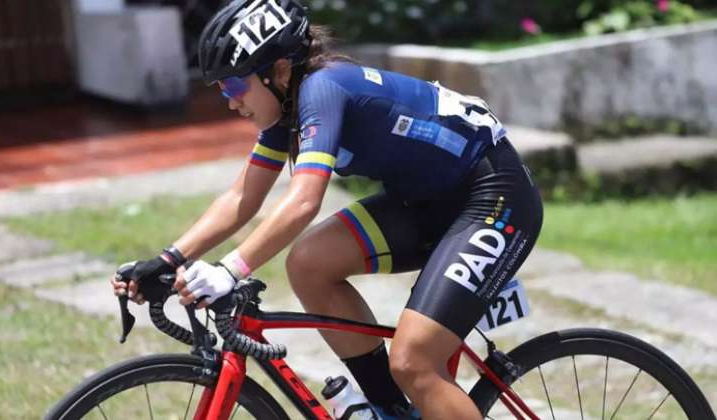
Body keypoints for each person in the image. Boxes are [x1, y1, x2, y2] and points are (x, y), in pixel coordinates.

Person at [111, 0, 543, 418]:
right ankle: (392, 410)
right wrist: (168, 259)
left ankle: (405, 392)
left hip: (492, 198)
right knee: (309, 263)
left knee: (414, 362)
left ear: (278, 70)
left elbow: (303, 201)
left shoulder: (324, 89)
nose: (229, 100)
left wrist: (228, 271)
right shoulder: (287, 110)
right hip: (425, 202)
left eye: (234, 85)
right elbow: (242, 197)